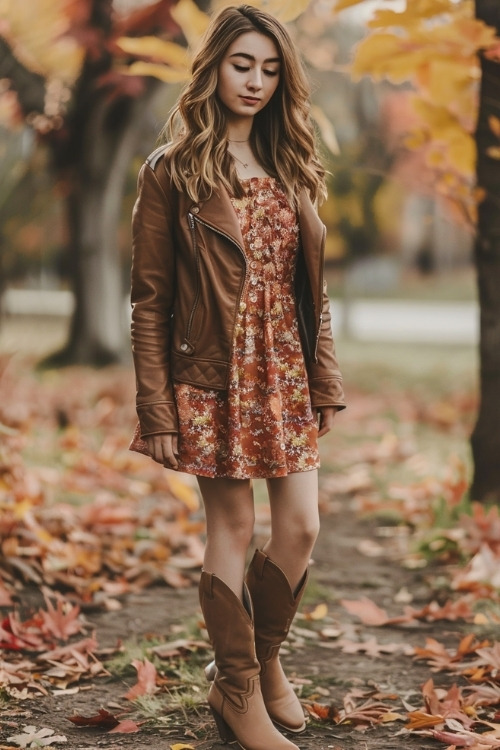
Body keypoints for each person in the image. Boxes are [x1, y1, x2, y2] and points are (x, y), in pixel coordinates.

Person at [129, 5, 346, 749]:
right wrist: (155, 410)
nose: (254, 81)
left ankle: (263, 662)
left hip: (283, 368)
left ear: (283, 78)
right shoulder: (173, 172)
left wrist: (324, 381)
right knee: (233, 524)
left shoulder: (292, 164)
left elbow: (311, 290)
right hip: (212, 374)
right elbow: (150, 299)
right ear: (214, 67)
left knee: (303, 525)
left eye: (269, 68)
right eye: (241, 64)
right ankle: (240, 691)